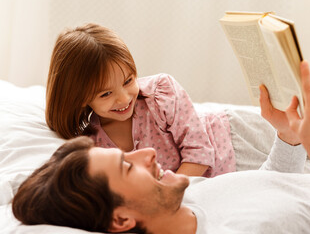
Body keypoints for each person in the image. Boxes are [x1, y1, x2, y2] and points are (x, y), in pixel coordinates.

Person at [13, 61, 310, 233]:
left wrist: (289, 138)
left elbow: (273, 190)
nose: (146, 153)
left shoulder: (189, 198)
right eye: (126, 166)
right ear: (120, 219)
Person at [45, 23, 279, 178]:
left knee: (307, 153)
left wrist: (167, 192)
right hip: (219, 181)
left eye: (128, 80)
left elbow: (200, 153)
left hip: (236, 141)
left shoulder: (160, 94)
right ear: (80, 98)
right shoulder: (93, 145)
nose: (124, 98)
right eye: (105, 94)